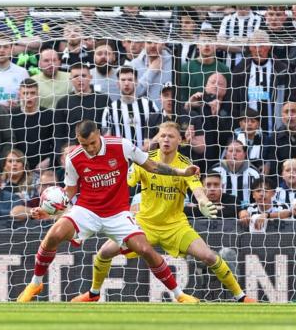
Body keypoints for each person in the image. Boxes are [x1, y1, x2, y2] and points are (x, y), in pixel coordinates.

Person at [17, 119, 200, 303]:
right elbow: (69, 191)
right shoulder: (74, 157)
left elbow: (152, 165)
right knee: (54, 234)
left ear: (99, 134)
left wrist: (182, 173)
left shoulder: (121, 145)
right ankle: (36, 283)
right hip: (87, 210)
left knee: (145, 249)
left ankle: (179, 294)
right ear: (77, 139)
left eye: (92, 143)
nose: (89, 148)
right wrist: (49, 211)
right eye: (84, 144)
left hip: (118, 213)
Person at [73, 122, 256, 303]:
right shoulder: (144, 160)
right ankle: (94, 293)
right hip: (144, 224)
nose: (166, 139)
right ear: (158, 139)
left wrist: (203, 202)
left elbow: (198, 190)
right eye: (163, 136)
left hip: (175, 226)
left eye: (171, 136)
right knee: (104, 252)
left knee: (209, 256)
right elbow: (124, 184)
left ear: (180, 141)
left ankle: (241, 296)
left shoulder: (186, 165)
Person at [211, 139, 261, 207]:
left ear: (245, 154)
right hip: (222, 211)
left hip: (247, 212)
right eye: (231, 151)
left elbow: (259, 196)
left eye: (238, 151)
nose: (234, 154)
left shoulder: (254, 173)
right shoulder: (216, 170)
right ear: (225, 154)